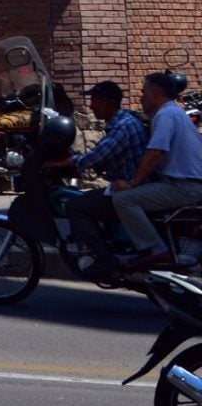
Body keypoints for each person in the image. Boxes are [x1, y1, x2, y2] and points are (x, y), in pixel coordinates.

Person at [107, 72, 202, 272]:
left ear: (156, 92)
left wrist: (133, 182)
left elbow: (155, 151)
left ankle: (154, 248)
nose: (141, 97)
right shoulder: (175, 112)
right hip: (188, 183)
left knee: (124, 199)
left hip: (183, 186)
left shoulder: (166, 115)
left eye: (144, 92)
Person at [63, 80, 149, 270]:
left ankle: (104, 258)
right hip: (125, 184)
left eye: (95, 100)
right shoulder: (122, 120)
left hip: (129, 187)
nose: (91, 106)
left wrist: (63, 162)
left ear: (107, 102)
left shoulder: (122, 126)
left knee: (76, 206)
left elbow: (96, 156)